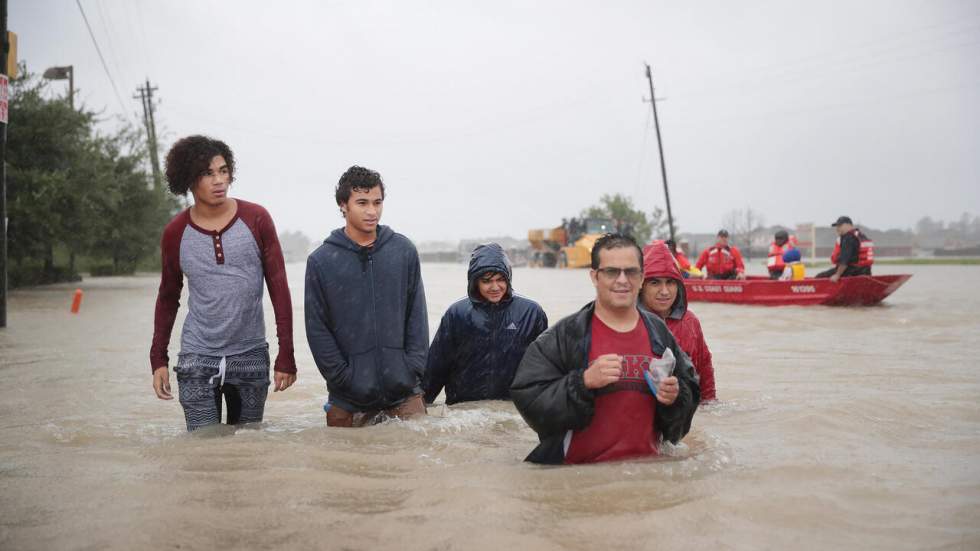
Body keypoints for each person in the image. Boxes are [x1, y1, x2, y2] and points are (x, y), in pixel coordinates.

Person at [510, 234, 700, 465]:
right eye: (611, 272)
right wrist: (582, 382)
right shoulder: (567, 335)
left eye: (631, 272)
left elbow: (688, 397)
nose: (622, 280)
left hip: (647, 478)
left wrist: (675, 398)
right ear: (594, 276)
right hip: (577, 480)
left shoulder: (659, 334)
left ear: (641, 278)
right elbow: (528, 397)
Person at [149, 135, 296, 431]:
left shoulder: (256, 219)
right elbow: (168, 297)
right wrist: (158, 359)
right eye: (207, 173)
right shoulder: (176, 232)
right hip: (196, 360)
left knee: (246, 453)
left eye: (223, 170)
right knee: (203, 454)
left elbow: (278, 287)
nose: (219, 180)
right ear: (188, 179)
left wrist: (287, 354)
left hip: (251, 356)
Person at [305, 166, 429, 427]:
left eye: (377, 202)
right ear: (343, 205)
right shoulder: (322, 261)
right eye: (362, 203)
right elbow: (317, 328)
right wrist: (343, 378)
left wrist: (411, 368)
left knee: (414, 464)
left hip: (404, 393)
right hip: (348, 399)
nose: (372, 211)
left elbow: (416, 315)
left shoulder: (403, 251)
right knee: (346, 466)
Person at [423, 243, 548, 405]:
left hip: (515, 411)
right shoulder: (457, 313)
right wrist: (420, 408)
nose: (495, 287)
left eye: (500, 280)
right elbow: (436, 368)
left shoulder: (532, 312)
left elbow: (545, 368)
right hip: (464, 413)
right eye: (487, 281)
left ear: (508, 278)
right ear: (475, 282)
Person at [640, 241, 716, 402]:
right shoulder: (629, 321)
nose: (665, 291)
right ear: (641, 286)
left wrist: (709, 402)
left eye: (670, 282)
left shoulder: (690, 321)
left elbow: (704, 366)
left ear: (679, 286)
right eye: (655, 283)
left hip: (685, 411)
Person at [816, 216, 874, 282]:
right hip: (865, 271)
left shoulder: (847, 237)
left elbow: (844, 260)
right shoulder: (860, 235)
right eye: (837, 226)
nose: (837, 228)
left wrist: (837, 275)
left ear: (848, 225)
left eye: (840, 226)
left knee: (819, 277)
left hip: (851, 272)